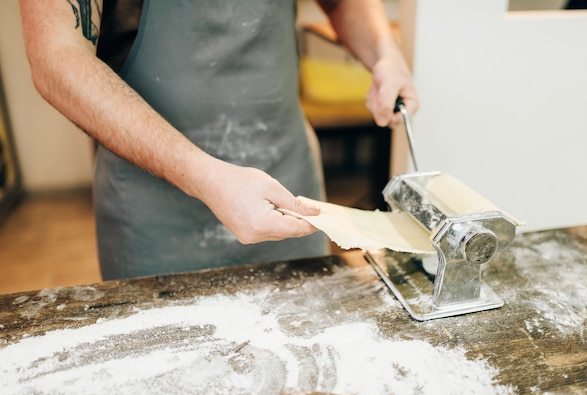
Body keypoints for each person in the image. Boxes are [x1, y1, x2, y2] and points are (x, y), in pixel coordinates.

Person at [19, 0, 418, 280]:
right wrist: (206, 178)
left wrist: (383, 52)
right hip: (154, 218)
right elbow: (57, 54)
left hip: (290, 191)